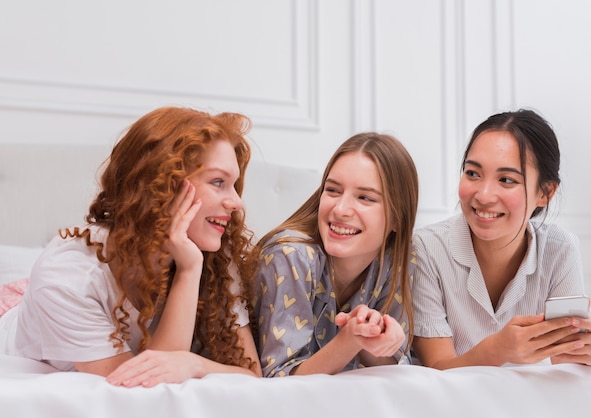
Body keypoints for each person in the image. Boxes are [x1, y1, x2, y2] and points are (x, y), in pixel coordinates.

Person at [0, 106, 262, 385]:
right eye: (218, 182)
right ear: (162, 186)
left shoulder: (213, 258)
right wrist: (187, 271)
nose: (237, 202)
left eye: (234, 185)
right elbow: (142, 391)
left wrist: (193, 363)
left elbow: (251, 374)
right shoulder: (69, 274)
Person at [412, 109, 591, 369]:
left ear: (545, 193)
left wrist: (590, 356)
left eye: (506, 179)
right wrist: (496, 350)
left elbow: (566, 365)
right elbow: (436, 367)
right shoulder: (426, 248)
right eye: (472, 173)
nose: (484, 194)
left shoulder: (560, 250)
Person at [252, 132, 419, 377]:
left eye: (365, 197)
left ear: (397, 218)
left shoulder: (399, 259)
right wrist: (350, 340)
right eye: (332, 190)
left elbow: (396, 368)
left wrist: (375, 339)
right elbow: (280, 381)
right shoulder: (290, 256)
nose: (340, 209)